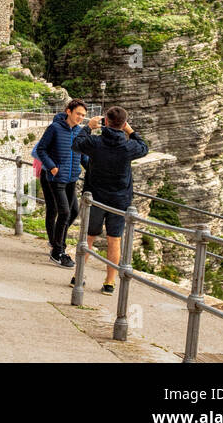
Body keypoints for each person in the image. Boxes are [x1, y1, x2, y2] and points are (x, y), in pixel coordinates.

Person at [72, 106, 148, 294]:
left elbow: (76, 144)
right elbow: (144, 148)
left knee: (88, 237)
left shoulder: (95, 143)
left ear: (105, 121)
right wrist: (129, 130)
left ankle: (79, 276)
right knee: (114, 240)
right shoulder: (128, 147)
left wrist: (89, 127)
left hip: (95, 197)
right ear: (123, 124)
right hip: (120, 199)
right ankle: (109, 282)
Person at [32, 99, 99, 268]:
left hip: (72, 179)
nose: (80, 118)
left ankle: (56, 240)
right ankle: (58, 251)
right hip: (56, 178)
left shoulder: (79, 132)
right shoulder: (55, 128)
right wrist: (52, 168)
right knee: (64, 212)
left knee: (74, 211)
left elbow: (83, 156)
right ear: (68, 111)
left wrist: (96, 169)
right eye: (78, 114)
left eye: (83, 116)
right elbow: (41, 150)